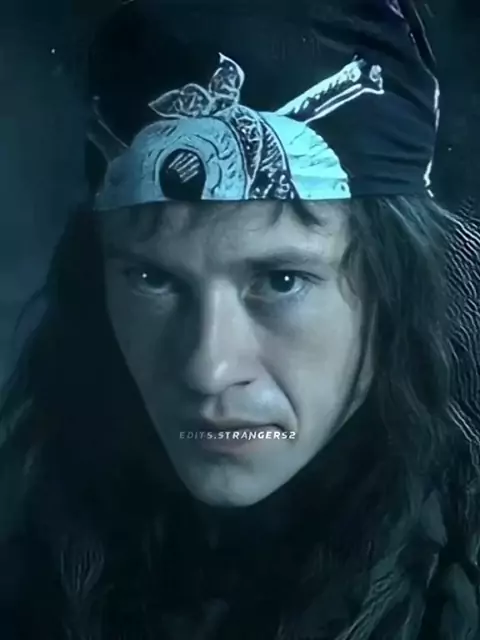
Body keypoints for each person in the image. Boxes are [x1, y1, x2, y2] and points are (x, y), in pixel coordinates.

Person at [1, 0, 480, 638]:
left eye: (281, 280)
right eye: (152, 279)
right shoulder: (30, 541)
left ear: (398, 290)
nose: (208, 368)